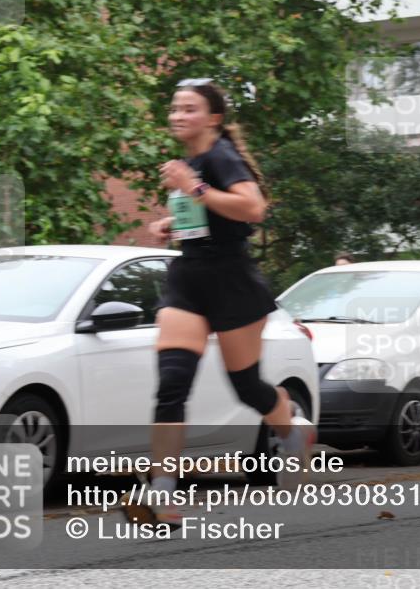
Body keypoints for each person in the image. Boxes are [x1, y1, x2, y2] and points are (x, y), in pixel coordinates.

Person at [125, 78, 314, 527]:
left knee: (246, 387)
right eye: (175, 108)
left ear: (213, 118)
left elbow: (252, 209)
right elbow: (210, 215)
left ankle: (290, 427)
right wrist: (172, 224)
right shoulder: (190, 162)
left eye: (189, 109)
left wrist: (192, 187)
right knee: (172, 383)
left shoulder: (220, 156)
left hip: (231, 280)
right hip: (189, 278)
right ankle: (162, 494)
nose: (178, 116)